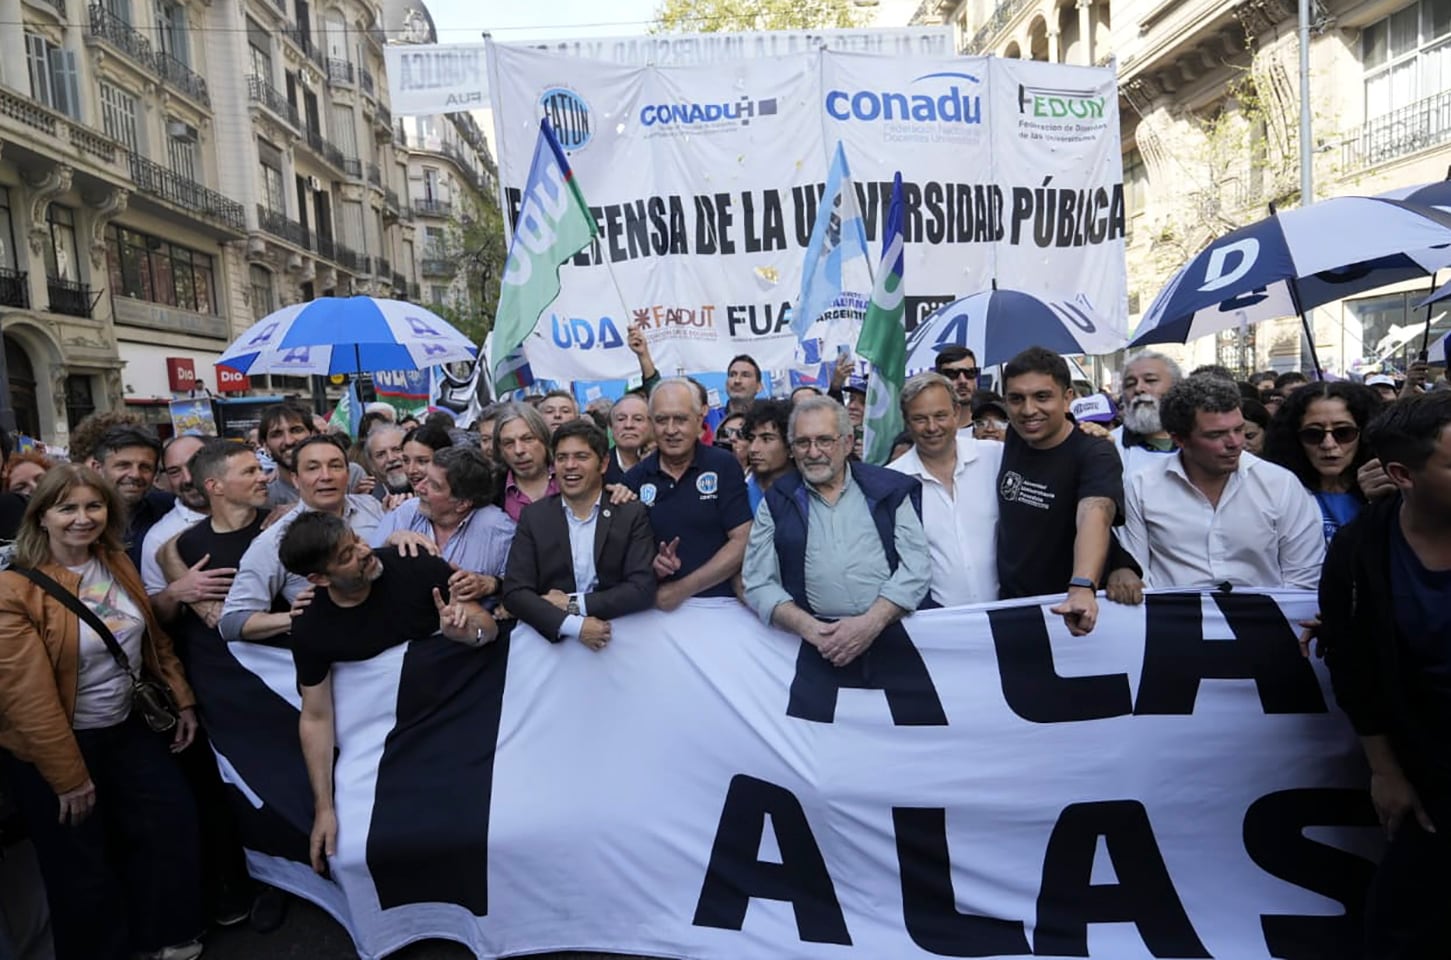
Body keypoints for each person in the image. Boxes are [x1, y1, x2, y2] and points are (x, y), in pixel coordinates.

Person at [0, 465, 203, 960]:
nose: (82, 518)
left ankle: (166, 935)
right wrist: (68, 777)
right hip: (60, 744)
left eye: (93, 506)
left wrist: (181, 699)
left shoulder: (114, 559)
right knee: (80, 865)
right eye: (66, 508)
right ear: (41, 516)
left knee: (167, 827)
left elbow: (153, 639)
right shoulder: (13, 589)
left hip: (129, 729)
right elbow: (26, 698)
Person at [280, 512, 495, 875]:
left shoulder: (416, 567)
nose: (364, 552)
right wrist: (325, 808)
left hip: (461, 719)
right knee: (358, 849)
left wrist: (463, 633)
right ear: (318, 578)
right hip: (387, 745)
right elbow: (316, 716)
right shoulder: (311, 627)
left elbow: (485, 630)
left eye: (357, 541)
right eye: (346, 555)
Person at [1320, 393, 1451, 958]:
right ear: (1403, 474)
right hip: (1429, 766)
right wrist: (1385, 770)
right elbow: (1357, 670)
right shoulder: (1360, 549)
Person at [743, 396, 930, 666]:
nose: (813, 452)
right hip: (817, 649)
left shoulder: (888, 489)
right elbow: (758, 582)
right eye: (803, 442)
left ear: (847, 443)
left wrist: (872, 622)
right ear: (792, 449)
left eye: (824, 440)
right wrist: (812, 629)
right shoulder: (777, 501)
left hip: (895, 638)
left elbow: (917, 566)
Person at [1115, 376, 1324, 591]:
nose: (1234, 443)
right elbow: (1138, 574)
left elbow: (1304, 577)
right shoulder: (1140, 487)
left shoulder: (1281, 484)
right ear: (1179, 439)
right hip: (1175, 619)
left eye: (1239, 430)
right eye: (1216, 435)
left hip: (1265, 619)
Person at [997, 347, 1124, 636]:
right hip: (1012, 613)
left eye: (1042, 397)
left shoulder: (1095, 452)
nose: (1028, 410)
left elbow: (1095, 515)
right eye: (1016, 399)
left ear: (1068, 398)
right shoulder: (1015, 435)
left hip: (1068, 613)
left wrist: (1081, 587)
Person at [218, 434, 385, 643]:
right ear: (296, 479)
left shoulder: (372, 506)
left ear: (347, 473)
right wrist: (295, 618)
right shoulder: (274, 540)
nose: (326, 476)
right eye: (312, 468)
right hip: (340, 653)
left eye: (335, 466)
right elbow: (231, 623)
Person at [502, 420, 656, 646]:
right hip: (552, 641)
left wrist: (574, 604)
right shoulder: (534, 517)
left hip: (619, 636)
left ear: (603, 464)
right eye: (562, 458)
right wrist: (573, 625)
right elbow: (515, 592)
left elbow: (641, 589)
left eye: (581, 457)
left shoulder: (630, 513)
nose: (570, 465)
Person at [625, 378, 752, 611]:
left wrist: (682, 589)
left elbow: (742, 540)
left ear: (699, 420)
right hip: (655, 610)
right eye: (662, 420)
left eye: (681, 419)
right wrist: (652, 566)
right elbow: (623, 556)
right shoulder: (634, 479)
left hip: (719, 607)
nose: (671, 430)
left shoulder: (723, 465)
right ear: (652, 423)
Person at [889, 372, 1002, 606]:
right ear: (906, 421)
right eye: (920, 419)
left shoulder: (994, 457)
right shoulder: (892, 481)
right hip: (938, 626)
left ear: (957, 413)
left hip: (1006, 615)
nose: (932, 427)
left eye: (940, 415)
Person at [370, 445, 514, 601]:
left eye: (434, 485)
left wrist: (492, 584)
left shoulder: (499, 530)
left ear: (462, 503)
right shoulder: (406, 511)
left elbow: (525, 585)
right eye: (424, 478)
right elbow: (364, 572)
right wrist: (388, 543)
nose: (419, 488)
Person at [1263, 381, 1382, 545]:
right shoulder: (1276, 494)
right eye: (1313, 434)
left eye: (1343, 433)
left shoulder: (1387, 492)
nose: (1328, 444)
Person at [141, 435, 217, 623]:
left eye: (195, 464)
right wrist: (174, 593)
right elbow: (157, 615)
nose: (188, 478)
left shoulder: (252, 508)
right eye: (175, 472)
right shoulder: (159, 537)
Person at [87, 425, 173, 569]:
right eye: (123, 465)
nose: (135, 474)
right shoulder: (78, 519)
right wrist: (168, 593)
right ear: (97, 469)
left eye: (145, 467)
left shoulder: (168, 509)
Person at [259, 402, 371, 508]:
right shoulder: (264, 498)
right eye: (277, 434)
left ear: (312, 434)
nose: (289, 441)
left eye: (296, 430)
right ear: (265, 445)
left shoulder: (351, 475)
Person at [1113, 351, 1183, 476]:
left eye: (1150, 380)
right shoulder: (1110, 446)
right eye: (1130, 384)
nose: (1139, 389)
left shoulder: (1199, 442)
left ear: (1176, 387)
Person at [495, 404, 558, 523]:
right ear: (500, 449)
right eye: (508, 443)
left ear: (544, 439)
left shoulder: (570, 477)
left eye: (527, 439)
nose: (518, 450)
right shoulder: (493, 493)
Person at [743, 399, 794, 511]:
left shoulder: (809, 493)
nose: (753, 449)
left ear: (790, 445)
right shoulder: (738, 490)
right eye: (751, 439)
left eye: (766, 439)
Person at [604, 392, 652, 486]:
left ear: (651, 425)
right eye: (621, 419)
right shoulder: (599, 467)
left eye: (638, 419)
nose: (628, 425)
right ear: (610, 426)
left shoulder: (662, 464)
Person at [933, 346, 980, 431]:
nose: (963, 381)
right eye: (952, 374)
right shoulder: (929, 432)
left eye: (970, 373)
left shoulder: (992, 432)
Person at [400, 422, 453, 493]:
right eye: (406, 460)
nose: (411, 470)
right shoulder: (399, 498)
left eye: (421, 461)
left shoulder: (463, 500)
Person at [363, 423, 411, 498]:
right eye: (381, 455)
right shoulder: (368, 505)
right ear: (372, 464)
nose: (390, 458)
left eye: (397, 450)